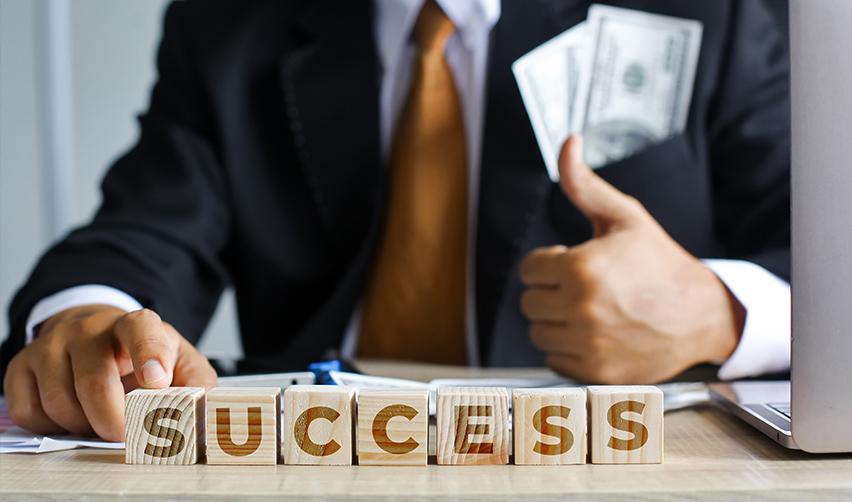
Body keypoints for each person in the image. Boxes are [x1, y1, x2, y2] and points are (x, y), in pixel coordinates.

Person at [1, 0, 790, 441]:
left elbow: (823, 255)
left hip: (599, 459)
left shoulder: (715, 11)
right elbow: (146, 228)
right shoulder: (231, 23)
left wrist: (719, 311)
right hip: (314, 454)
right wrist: (85, 324)